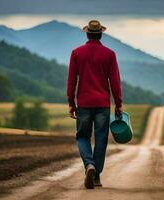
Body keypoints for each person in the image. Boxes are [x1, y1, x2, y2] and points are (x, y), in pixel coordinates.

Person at [67, 20, 123, 189]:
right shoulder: (109, 54)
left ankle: (89, 165)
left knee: (82, 136)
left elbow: (71, 80)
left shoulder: (76, 53)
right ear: (100, 34)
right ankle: (96, 175)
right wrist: (118, 104)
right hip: (102, 104)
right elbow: (115, 82)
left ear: (87, 33)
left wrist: (71, 102)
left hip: (83, 103)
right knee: (100, 139)